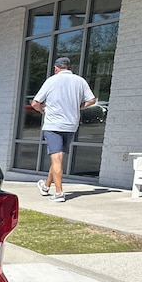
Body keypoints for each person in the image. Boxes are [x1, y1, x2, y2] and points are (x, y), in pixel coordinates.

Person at [30, 57, 96, 203]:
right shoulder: (80, 81)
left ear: (56, 68)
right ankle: (46, 186)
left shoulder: (52, 81)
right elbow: (92, 100)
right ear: (68, 67)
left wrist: (42, 110)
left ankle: (59, 193)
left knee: (57, 158)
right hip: (71, 124)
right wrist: (79, 107)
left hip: (54, 125)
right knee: (58, 157)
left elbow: (35, 103)